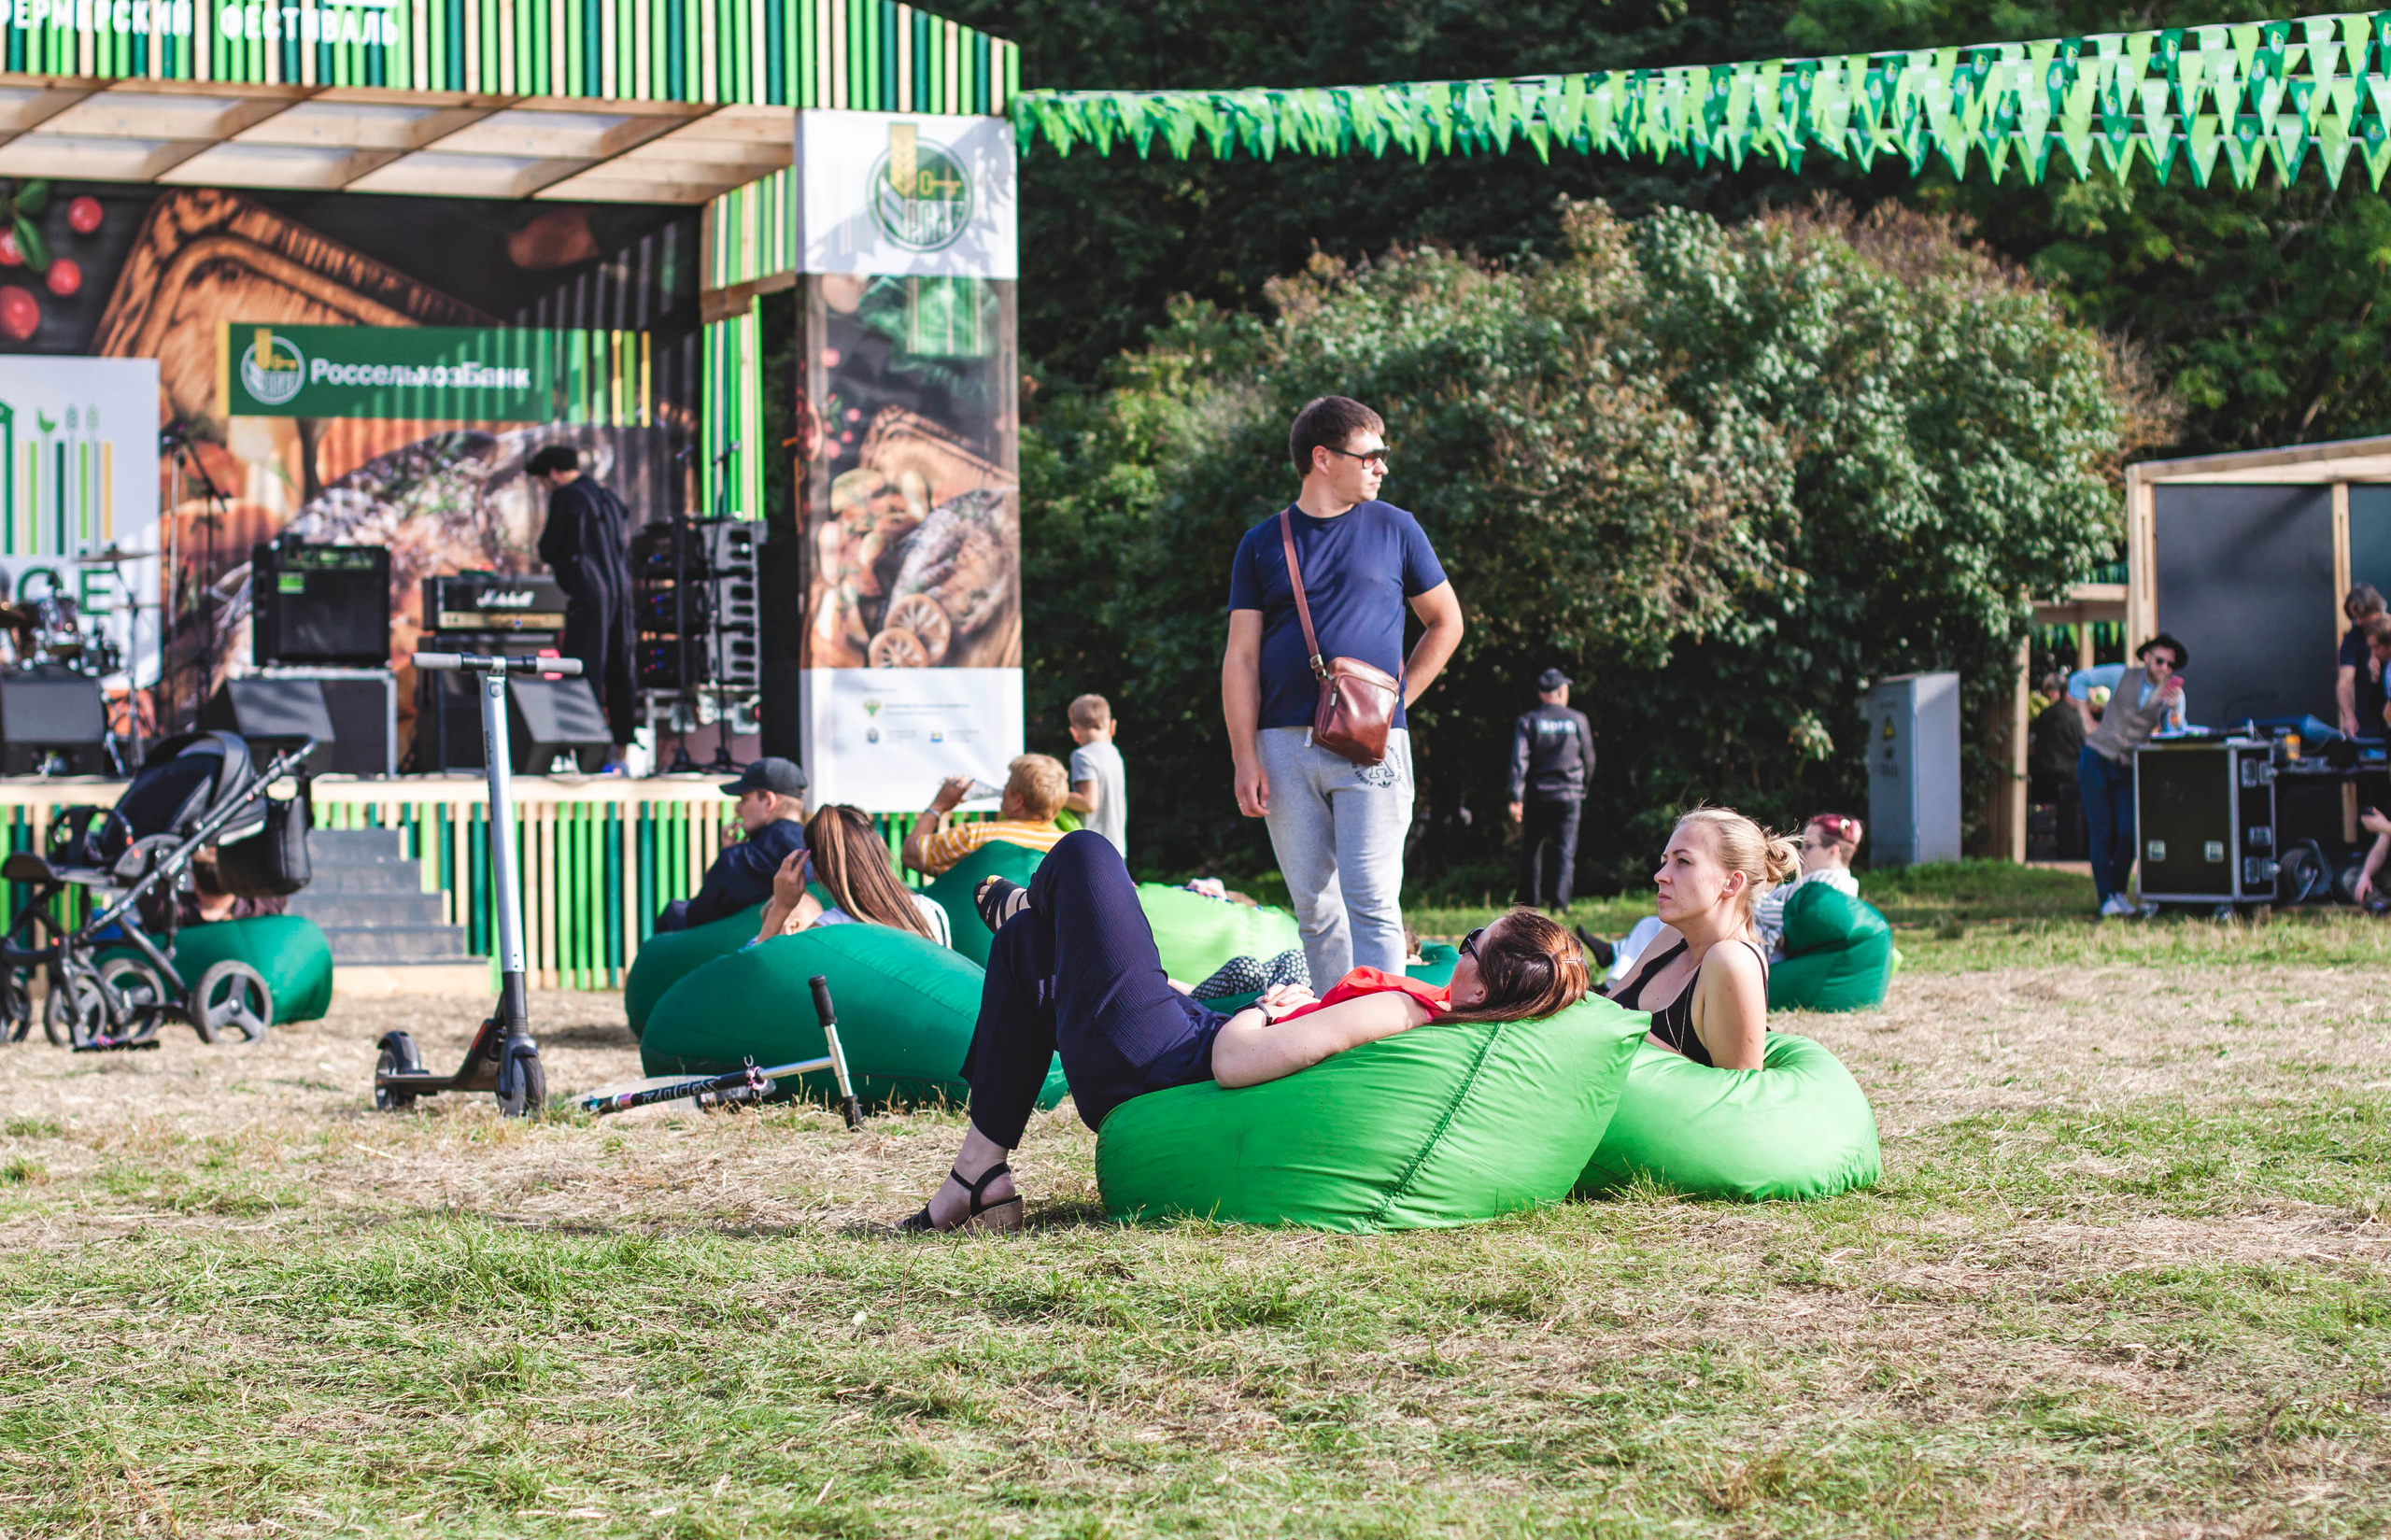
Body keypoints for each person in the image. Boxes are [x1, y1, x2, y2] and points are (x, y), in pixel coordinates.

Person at [902, 829, 1589, 1232]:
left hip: (1163, 1058)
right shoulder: (1437, 1022)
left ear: (1483, 982)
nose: (1458, 948)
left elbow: (1234, 1061)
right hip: (1178, 1034)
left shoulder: (1402, 1010)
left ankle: (1028, 895)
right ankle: (978, 1175)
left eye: (1472, 941)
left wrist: (1268, 1004)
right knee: (1027, 945)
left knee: (1085, 852)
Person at [1222, 395, 1465, 982]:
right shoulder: (1261, 543)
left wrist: (1395, 704)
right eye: (1372, 455)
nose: (1383, 466)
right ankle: (1333, 1039)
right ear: (1323, 458)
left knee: (1373, 900)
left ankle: (1380, 1035)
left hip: (1372, 744)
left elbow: (1446, 622)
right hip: (1281, 746)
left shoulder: (1397, 528)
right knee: (1316, 910)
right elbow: (1241, 656)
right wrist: (1243, 756)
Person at [1604, 808, 1795, 1072]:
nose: (1660, 876)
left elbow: (1738, 1092)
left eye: (1682, 862)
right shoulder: (1672, 938)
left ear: (1732, 883)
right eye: (1665, 861)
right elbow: (1606, 1012)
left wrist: (1631, 1030)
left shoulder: (1732, 961)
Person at [529, 444, 636, 769]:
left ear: (553, 474)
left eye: (543, 482)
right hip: (621, 594)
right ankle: (621, 753)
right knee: (621, 669)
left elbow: (549, 547)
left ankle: (583, 752)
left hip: (590, 595)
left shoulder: (566, 496)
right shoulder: (607, 496)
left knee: (581, 669)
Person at [2074, 633, 2188, 919]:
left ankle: (2117, 893)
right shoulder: (2120, 674)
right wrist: (2086, 718)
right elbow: (2078, 680)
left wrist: (2173, 709)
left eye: (2170, 665)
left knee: (2129, 832)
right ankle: (2105, 899)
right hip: (2096, 759)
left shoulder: (2172, 693)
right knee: (2101, 831)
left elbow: (2174, 731)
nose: (2164, 668)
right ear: (2147, 657)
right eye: (2160, 660)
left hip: (2126, 766)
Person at [752, 804, 951, 948]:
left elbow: (756, 977)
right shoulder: (932, 911)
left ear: (818, 872)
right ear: (881, 849)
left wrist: (780, 907)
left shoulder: (824, 932)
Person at [652, 756, 808, 933]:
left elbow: (698, 915)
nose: (737, 809)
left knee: (674, 912)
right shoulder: (816, 850)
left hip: (739, 946)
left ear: (768, 801)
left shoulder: (738, 859)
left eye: (743, 799)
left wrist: (728, 854)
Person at [1507, 667, 1597, 911]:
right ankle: (1560, 904)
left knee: (1532, 849)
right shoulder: (1578, 720)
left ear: (1541, 694)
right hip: (1569, 794)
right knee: (1565, 850)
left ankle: (1529, 905)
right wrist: (1583, 787)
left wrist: (1516, 797)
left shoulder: (1529, 721)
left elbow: (1519, 760)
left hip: (1538, 794)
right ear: (1560, 691)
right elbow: (1589, 758)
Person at [902, 754, 1069, 878]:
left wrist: (937, 807)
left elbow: (910, 854)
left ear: (1018, 801)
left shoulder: (975, 836)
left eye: (1007, 786)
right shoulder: (1067, 847)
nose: (1002, 792)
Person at [1751, 812, 1862, 958]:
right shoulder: (1841, 882)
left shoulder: (1824, 884)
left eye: (1809, 846)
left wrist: (1746, 898)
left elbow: (1788, 916)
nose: (1801, 852)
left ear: (1833, 851)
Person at [1064, 694, 1127, 858]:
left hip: (1092, 849)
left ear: (1074, 732)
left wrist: (1054, 795)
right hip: (1117, 846)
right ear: (1113, 726)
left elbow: (1088, 802)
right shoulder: (1114, 753)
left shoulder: (1082, 755)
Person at [2341, 584, 2390, 738]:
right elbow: (2344, 682)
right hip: (2369, 723)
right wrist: (2349, 716)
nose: (2359, 622)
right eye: (2355, 618)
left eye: (2362, 616)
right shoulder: (2353, 639)